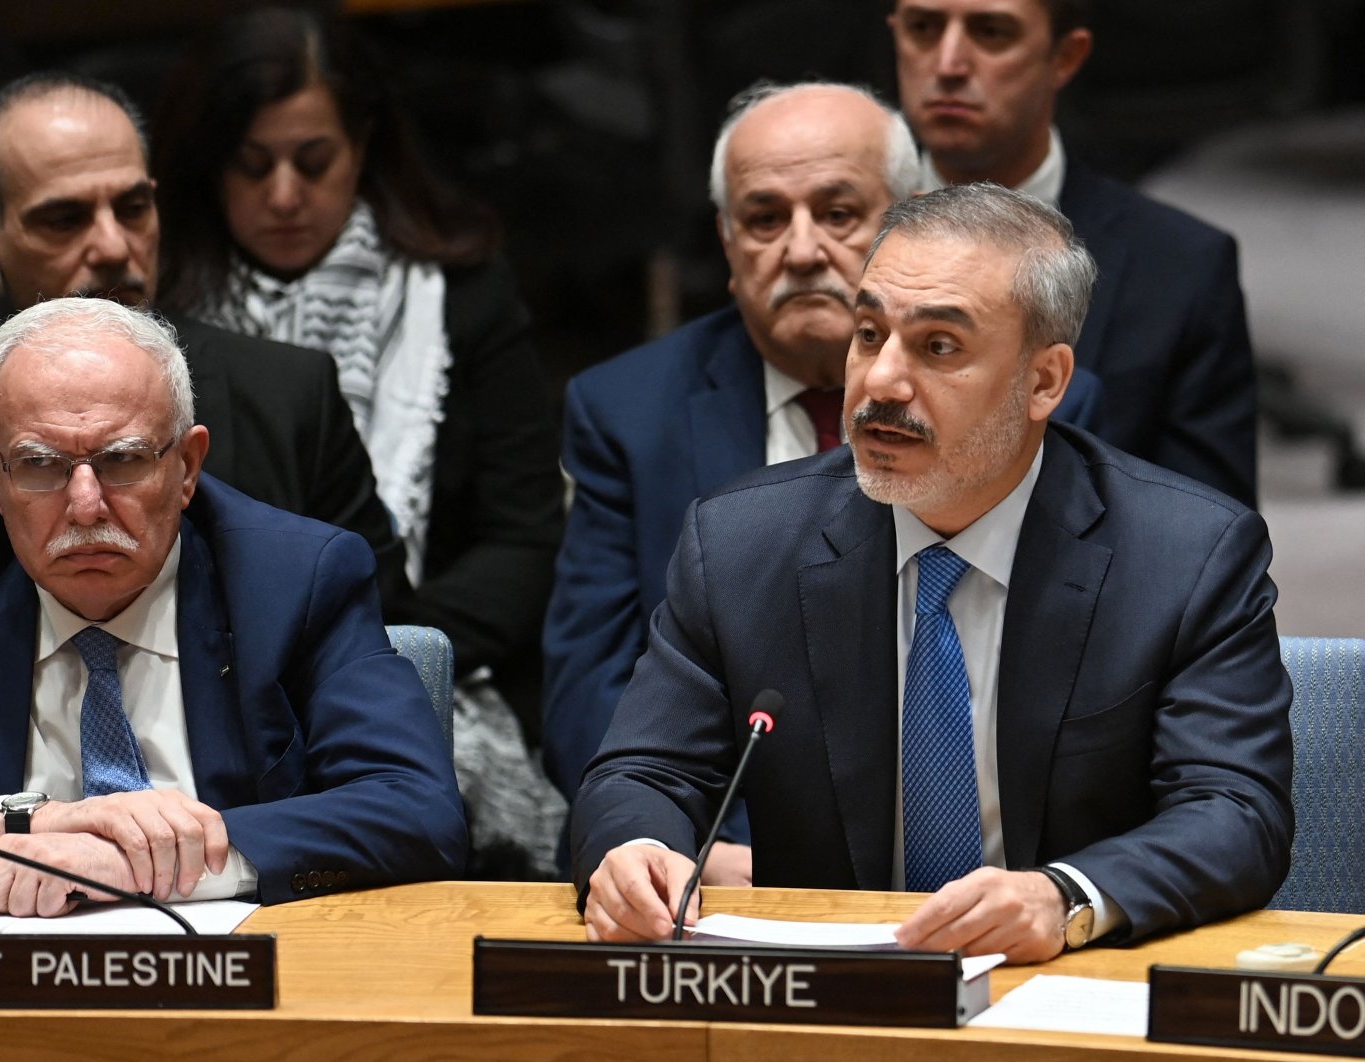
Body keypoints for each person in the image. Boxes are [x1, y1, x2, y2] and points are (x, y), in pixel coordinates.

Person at [571, 183, 1292, 964]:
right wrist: (635, 848)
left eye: (938, 346)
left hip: (1065, 989)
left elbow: (1235, 809)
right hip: (825, 995)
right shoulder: (742, 544)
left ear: (1045, 381)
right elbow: (642, 770)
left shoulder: (1186, 554)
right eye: (869, 332)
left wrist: (1067, 896)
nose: (880, 381)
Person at [541, 81, 1102, 886]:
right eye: (765, 219)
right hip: (717, 867)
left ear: (913, 221)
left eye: (838, 214)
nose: (801, 251)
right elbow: (599, 698)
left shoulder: (1033, 408)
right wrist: (692, 848)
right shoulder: (633, 419)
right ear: (726, 244)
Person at [0, 298, 467, 914]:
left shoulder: (298, 577)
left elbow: (416, 808)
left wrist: (145, 863)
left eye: (123, 460)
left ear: (187, 467)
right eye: (39, 464)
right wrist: (24, 828)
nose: (85, 504)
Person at [152, 7, 565, 879]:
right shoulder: (157, 317)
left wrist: (373, 648)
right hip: (200, 666)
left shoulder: (461, 292)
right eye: (252, 165)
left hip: (427, 647)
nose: (285, 196)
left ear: (365, 144)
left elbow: (523, 535)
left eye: (314, 161)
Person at [0, 72, 407, 604]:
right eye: (64, 219)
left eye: (133, 207)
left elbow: (382, 628)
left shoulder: (291, 394)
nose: (114, 247)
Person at [888, 0, 1258, 507]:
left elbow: (1212, 546)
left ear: (1065, 57)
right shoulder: (825, 241)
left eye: (991, 32)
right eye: (923, 28)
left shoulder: (1181, 268)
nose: (948, 64)